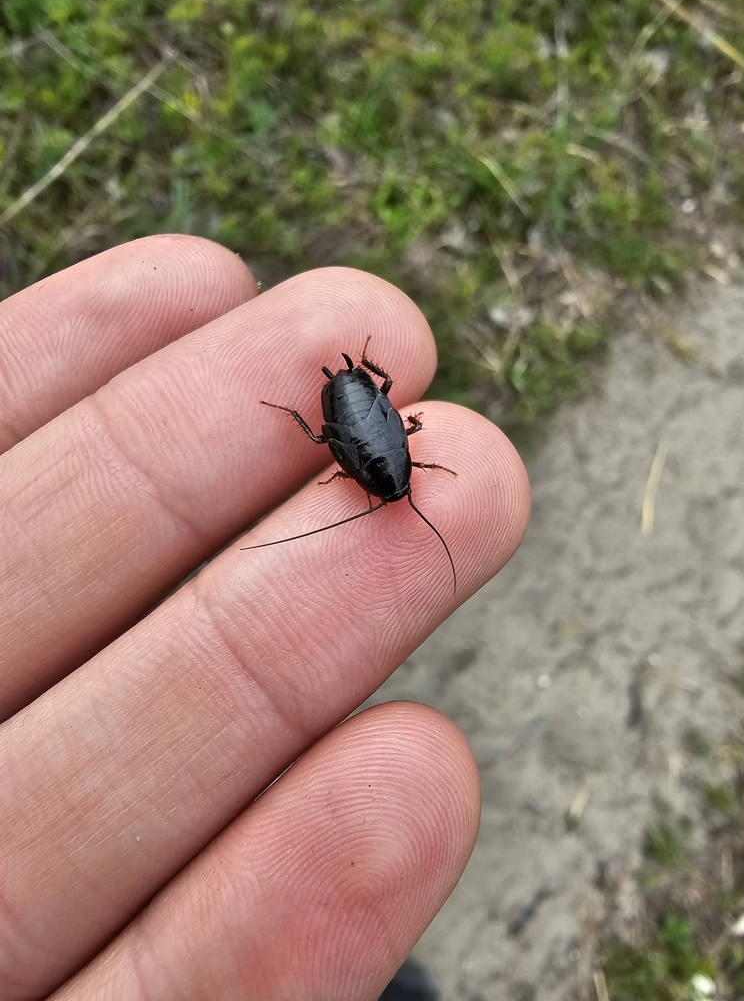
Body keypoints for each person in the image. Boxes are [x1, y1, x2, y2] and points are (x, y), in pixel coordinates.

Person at [0, 235, 530, 1000]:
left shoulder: (381, 465)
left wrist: (360, 419)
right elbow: (377, 436)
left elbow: (364, 442)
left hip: (355, 409)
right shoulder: (395, 461)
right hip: (359, 408)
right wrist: (367, 415)